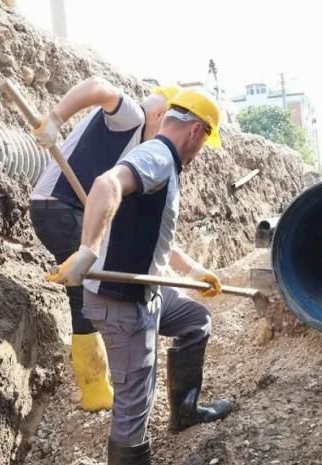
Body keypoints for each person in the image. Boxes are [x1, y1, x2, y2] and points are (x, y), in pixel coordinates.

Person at [46, 89, 230, 464]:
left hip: (147, 292)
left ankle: (185, 410)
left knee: (196, 320)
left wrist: (195, 271)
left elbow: (156, 233)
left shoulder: (161, 162)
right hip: (123, 302)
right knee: (134, 408)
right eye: (203, 143)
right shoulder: (158, 157)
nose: (198, 153)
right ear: (196, 131)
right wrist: (88, 250)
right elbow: (105, 185)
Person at [29, 76, 179, 412]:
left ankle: (98, 383)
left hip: (66, 209)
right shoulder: (133, 117)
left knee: (85, 288)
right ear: (161, 116)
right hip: (57, 206)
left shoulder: (137, 149)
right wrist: (55, 119)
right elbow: (98, 86)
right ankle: (95, 387)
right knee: (85, 292)